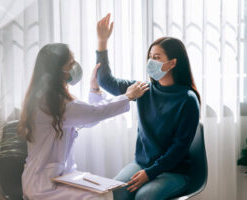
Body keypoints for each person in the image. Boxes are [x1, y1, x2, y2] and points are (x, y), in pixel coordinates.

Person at [17, 43, 148, 200]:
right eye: (71, 63)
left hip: (59, 177)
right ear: (58, 71)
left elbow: (87, 118)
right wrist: (128, 96)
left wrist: (94, 89)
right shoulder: (50, 102)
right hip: (42, 185)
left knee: (107, 192)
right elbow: (94, 113)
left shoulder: (53, 98)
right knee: (101, 197)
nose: (75, 67)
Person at [96, 14, 201, 200]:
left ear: (173, 63)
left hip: (174, 171)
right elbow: (105, 81)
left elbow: (179, 149)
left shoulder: (188, 99)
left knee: (145, 197)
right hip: (142, 164)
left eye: (157, 57)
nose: (150, 62)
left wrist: (150, 173)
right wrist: (102, 42)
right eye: (150, 57)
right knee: (115, 192)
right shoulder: (142, 89)